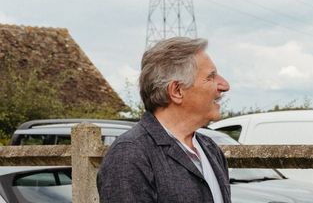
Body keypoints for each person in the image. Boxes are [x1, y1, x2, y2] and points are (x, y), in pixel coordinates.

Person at [98, 37, 231, 203]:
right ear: (176, 90)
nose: (225, 85)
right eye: (210, 77)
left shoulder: (211, 149)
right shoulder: (130, 154)